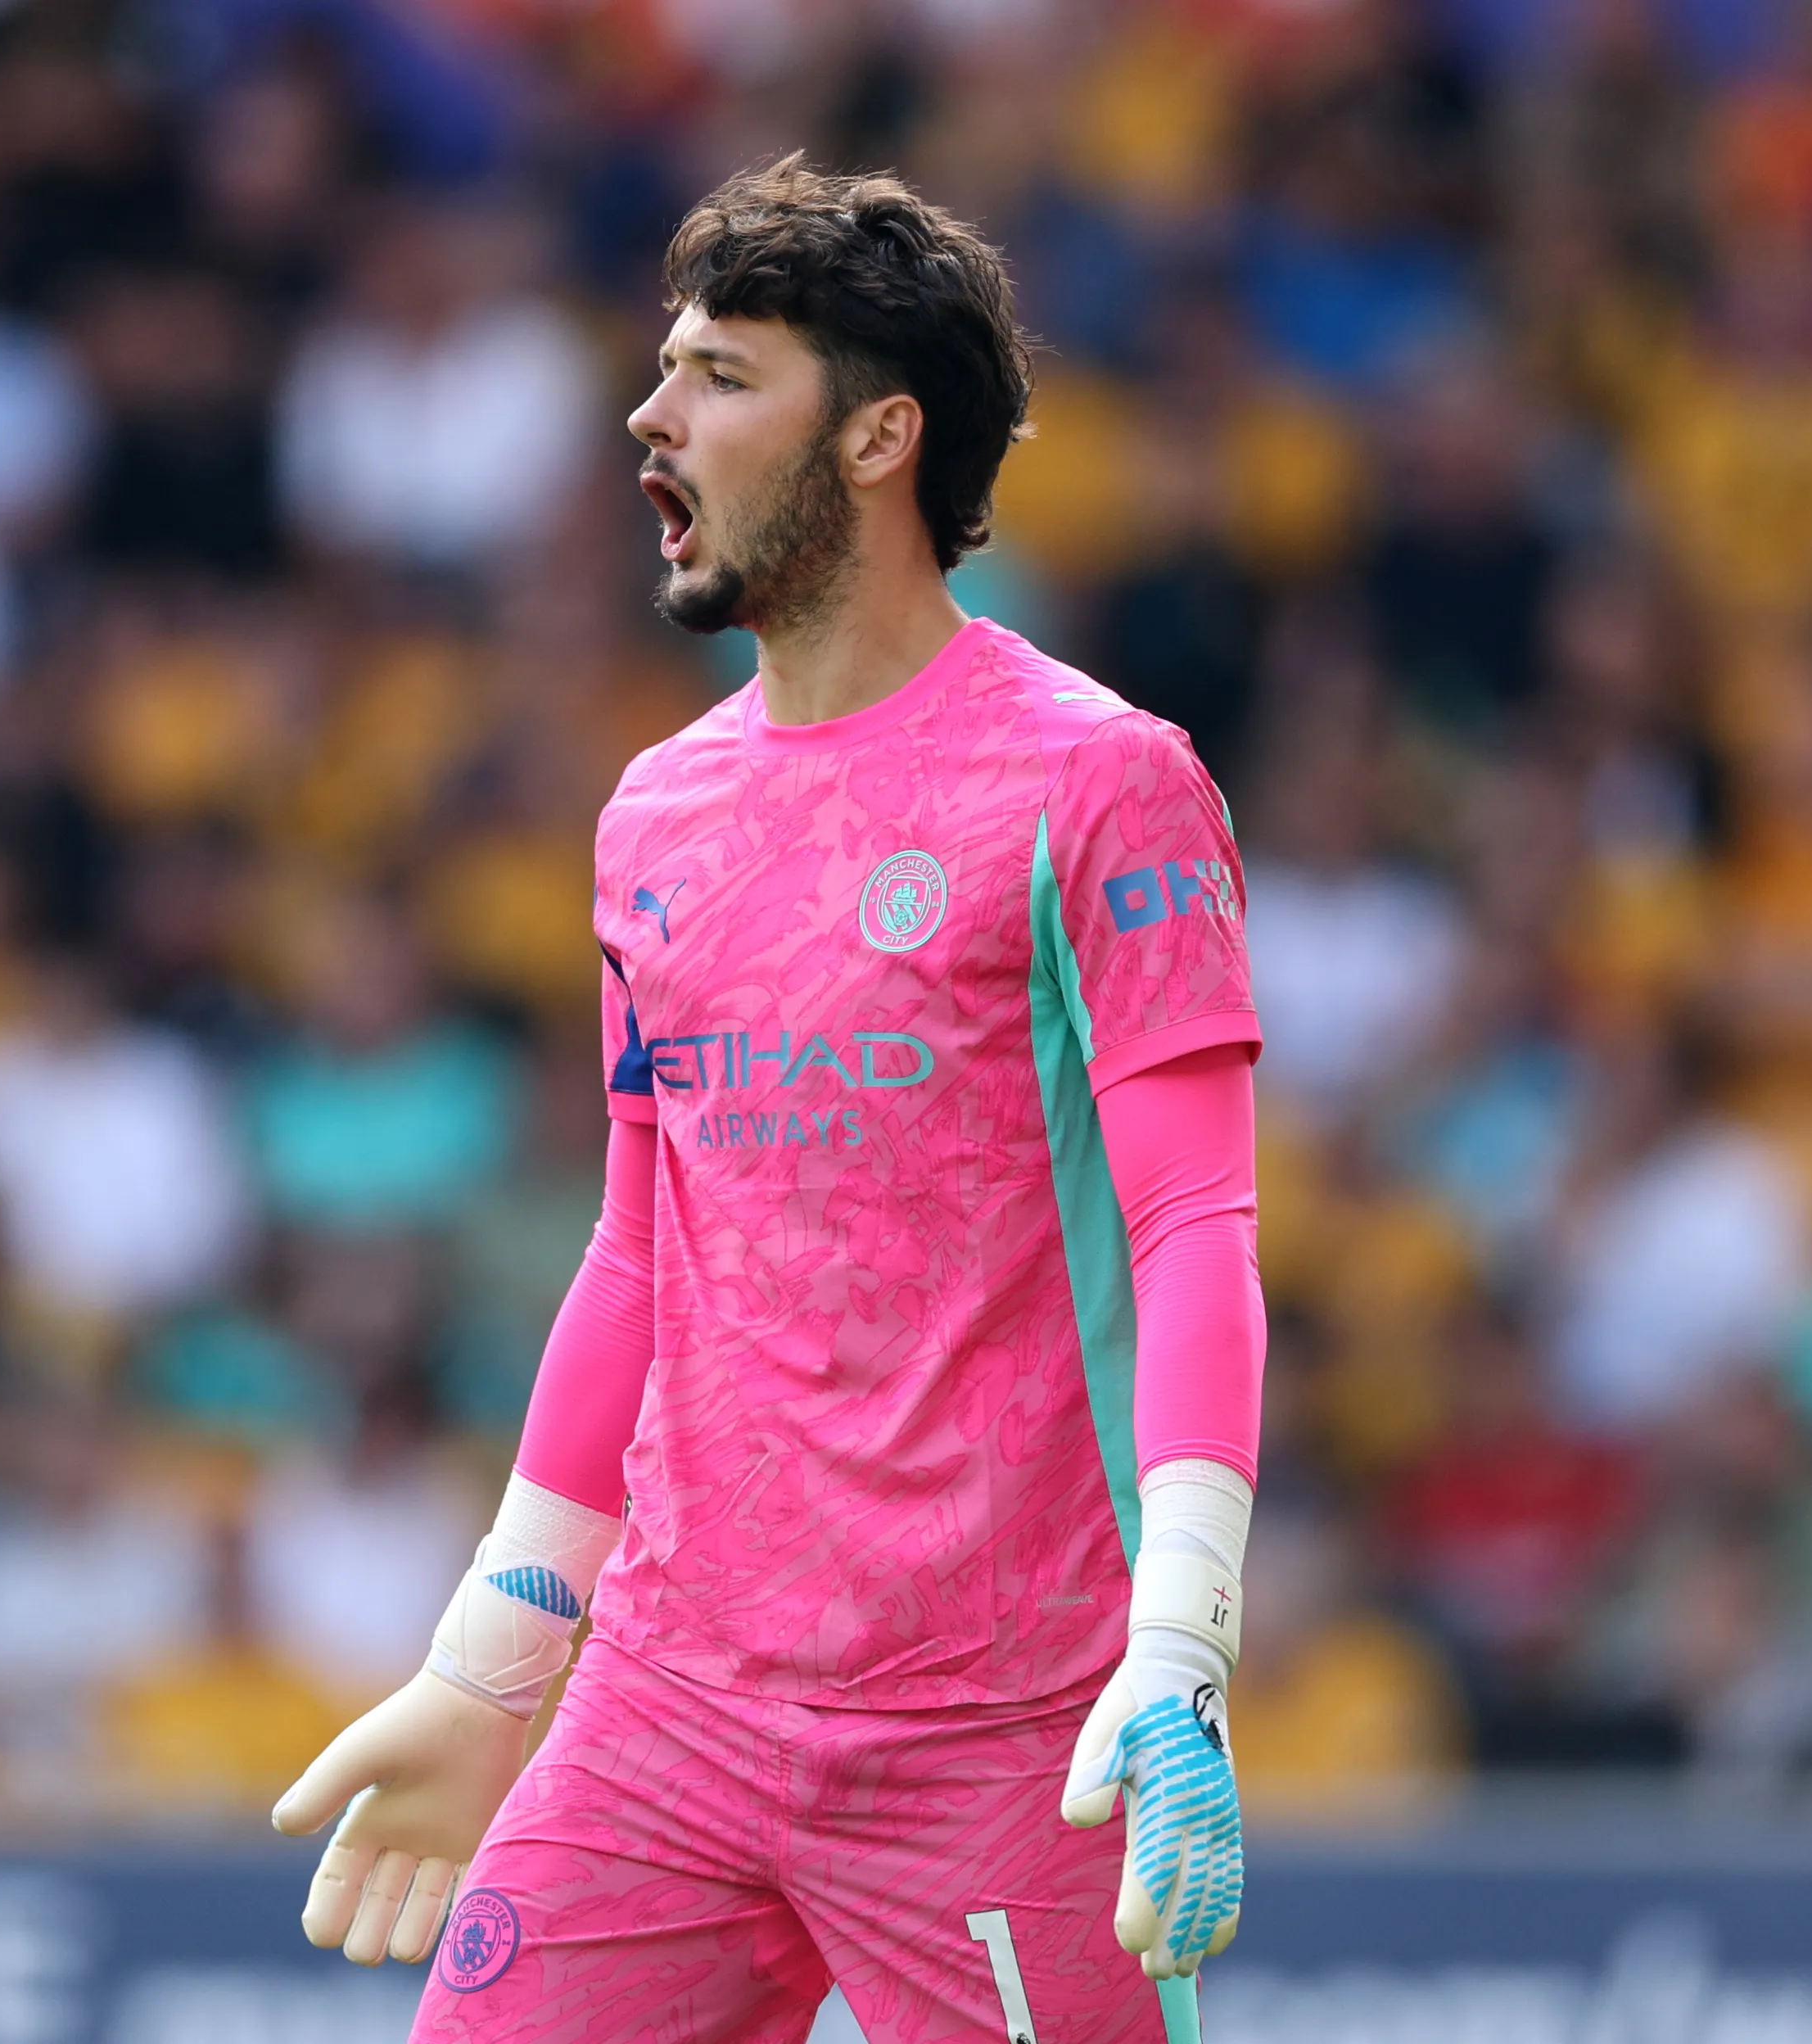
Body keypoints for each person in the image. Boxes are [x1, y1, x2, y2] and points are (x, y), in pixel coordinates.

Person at [270, 156, 1267, 2042]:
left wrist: (1184, 1644)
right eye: (663, 369)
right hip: (672, 1703)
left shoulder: (1102, 787)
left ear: (882, 436)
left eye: (722, 375)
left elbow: (1196, 1227)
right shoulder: (652, 817)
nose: (652, 415)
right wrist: (498, 1654)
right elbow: (640, 1256)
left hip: (998, 1729)